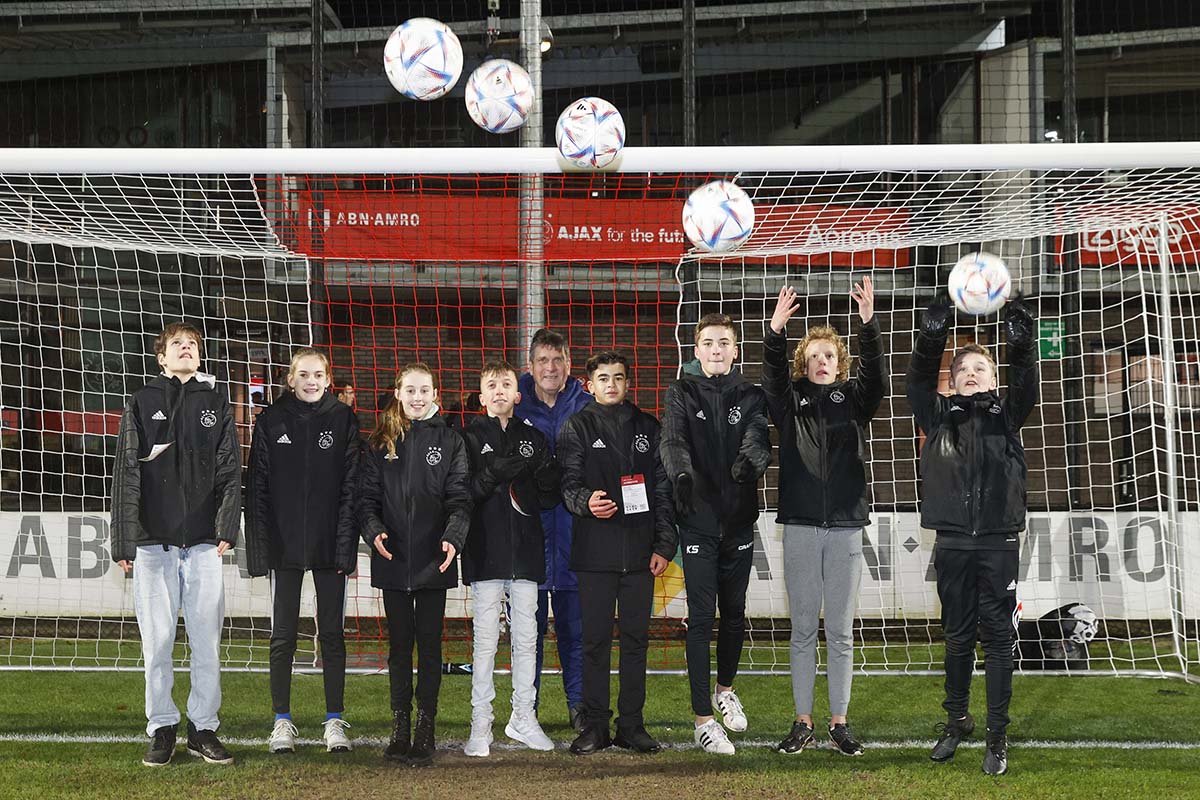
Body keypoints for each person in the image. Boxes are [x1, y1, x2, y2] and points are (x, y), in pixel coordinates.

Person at [906, 292, 1037, 776]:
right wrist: (931, 337)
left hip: (999, 542)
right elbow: (917, 380)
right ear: (953, 380)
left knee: (999, 641)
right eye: (963, 370)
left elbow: (1027, 381)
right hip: (954, 542)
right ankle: (956, 721)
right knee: (958, 639)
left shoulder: (1008, 413)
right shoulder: (938, 416)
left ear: (993, 377)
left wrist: (1021, 344)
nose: (972, 374)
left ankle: (996, 737)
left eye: (980, 368)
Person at [111, 321, 241, 767]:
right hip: (152, 545)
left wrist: (227, 524)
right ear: (161, 357)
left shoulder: (216, 402)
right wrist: (125, 540)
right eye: (177, 345)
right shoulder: (143, 401)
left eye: (193, 345)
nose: (186, 349)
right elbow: (126, 472)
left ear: (200, 356)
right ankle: (162, 726)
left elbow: (230, 469)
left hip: (205, 544)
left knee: (206, 641)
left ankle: (202, 728)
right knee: (159, 642)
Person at [763, 279, 883, 758]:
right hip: (800, 526)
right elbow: (771, 379)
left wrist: (869, 325)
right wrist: (775, 331)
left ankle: (839, 722)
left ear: (839, 361)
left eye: (828, 355)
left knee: (839, 629)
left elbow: (877, 379)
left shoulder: (855, 399)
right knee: (802, 630)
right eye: (812, 356)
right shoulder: (789, 402)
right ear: (803, 362)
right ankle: (802, 722)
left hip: (847, 525)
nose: (821, 362)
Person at [659, 313, 771, 756]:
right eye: (709, 342)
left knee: (736, 613)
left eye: (725, 342)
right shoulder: (681, 392)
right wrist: (681, 476)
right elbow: (672, 440)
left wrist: (751, 463)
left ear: (736, 349)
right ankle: (703, 719)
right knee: (701, 617)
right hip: (698, 522)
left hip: (740, 521)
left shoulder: (752, 394)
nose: (717, 349)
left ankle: (725, 690)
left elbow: (758, 437)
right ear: (697, 350)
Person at [557, 351, 676, 756]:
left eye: (619, 377)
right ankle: (594, 727)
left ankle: (631, 725)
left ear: (628, 384)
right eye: (603, 378)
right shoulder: (577, 426)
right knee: (593, 643)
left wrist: (663, 545)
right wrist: (586, 501)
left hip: (642, 555)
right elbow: (567, 485)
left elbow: (662, 491)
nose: (611, 384)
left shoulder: (648, 427)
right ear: (589, 384)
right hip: (594, 554)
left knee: (635, 642)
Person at [245, 347, 360, 755]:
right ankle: (282, 721)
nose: (311, 381)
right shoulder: (272, 420)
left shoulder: (344, 420)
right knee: (283, 636)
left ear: (328, 379)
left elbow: (352, 488)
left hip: (330, 545)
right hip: (285, 544)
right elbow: (256, 487)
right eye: (303, 375)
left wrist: (346, 544)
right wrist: (261, 546)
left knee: (332, 634)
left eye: (318, 375)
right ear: (291, 379)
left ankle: (334, 721)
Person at [358, 362, 471, 767]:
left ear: (435, 395)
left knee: (429, 645)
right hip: (393, 559)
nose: (417, 397)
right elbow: (366, 500)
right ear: (399, 393)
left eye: (425, 390)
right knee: (399, 648)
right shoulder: (380, 442)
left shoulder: (451, 440)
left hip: (433, 561)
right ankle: (400, 725)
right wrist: (373, 532)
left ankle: (426, 726)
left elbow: (460, 498)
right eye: (410, 390)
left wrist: (452, 537)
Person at [460, 359, 562, 757]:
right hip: (484, 554)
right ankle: (480, 725)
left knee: (527, 640)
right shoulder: (466, 437)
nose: (499, 390)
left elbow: (551, 496)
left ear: (518, 394)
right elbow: (461, 494)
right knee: (484, 644)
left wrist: (543, 474)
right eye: (491, 385)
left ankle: (523, 717)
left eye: (506, 384)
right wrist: (491, 476)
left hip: (527, 555)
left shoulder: (533, 437)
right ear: (481, 395)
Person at [514, 328, 591, 730]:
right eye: (542, 360)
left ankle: (579, 705)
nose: (550, 367)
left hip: (577, 538)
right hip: (528, 539)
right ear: (530, 366)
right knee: (528, 634)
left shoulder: (587, 402)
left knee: (574, 633)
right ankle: (527, 707)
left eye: (557, 359)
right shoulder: (513, 401)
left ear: (568, 364)